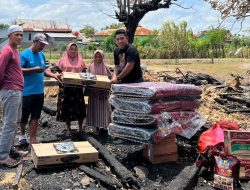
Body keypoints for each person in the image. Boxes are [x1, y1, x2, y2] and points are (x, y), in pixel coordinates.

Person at [19, 33, 61, 145]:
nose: (42, 46)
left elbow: (44, 70)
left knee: (36, 115)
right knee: (24, 116)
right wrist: (33, 69)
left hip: (39, 91)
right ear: (35, 41)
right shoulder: (24, 54)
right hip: (26, 92)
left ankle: (33, 139)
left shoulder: (41, 54)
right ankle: (22, 134)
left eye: (44, 44)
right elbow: (19, 70)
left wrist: (54, 76)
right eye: (41, 44)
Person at [0, 25, 27, 168]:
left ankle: (9, 149)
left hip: (16, 91)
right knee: (9, 124)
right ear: (9, 35)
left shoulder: (15, 50)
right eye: (17, 34)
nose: (20, 37)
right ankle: (3, 156)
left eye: (21, 35)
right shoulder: (6, 50)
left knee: (15, 122)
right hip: (10, 90)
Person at [56, 42, 86, 135]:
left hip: (77, 88)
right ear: (68, 50)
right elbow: (56, 71)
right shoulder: (62, 60)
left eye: (75, 49)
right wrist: (59, 75)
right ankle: (69, 128)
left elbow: (84, 72)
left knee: (80, 108)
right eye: (71, 49)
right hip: (66, 89)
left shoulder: (80, 60)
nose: (73, 51)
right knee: (67, 108)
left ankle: (80, 128)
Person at [86, 50, 112, 133]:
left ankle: (104, 126)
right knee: (94, 109)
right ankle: (95, 127)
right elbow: (86, 77)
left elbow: (110, 77)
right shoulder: (90, 66)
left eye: (100, 56)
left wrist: (107, 86)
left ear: (103, 56)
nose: (98, 58)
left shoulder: (105, 66)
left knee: (103, 109)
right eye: (96, 56)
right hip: (93, 93)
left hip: (103, 93)